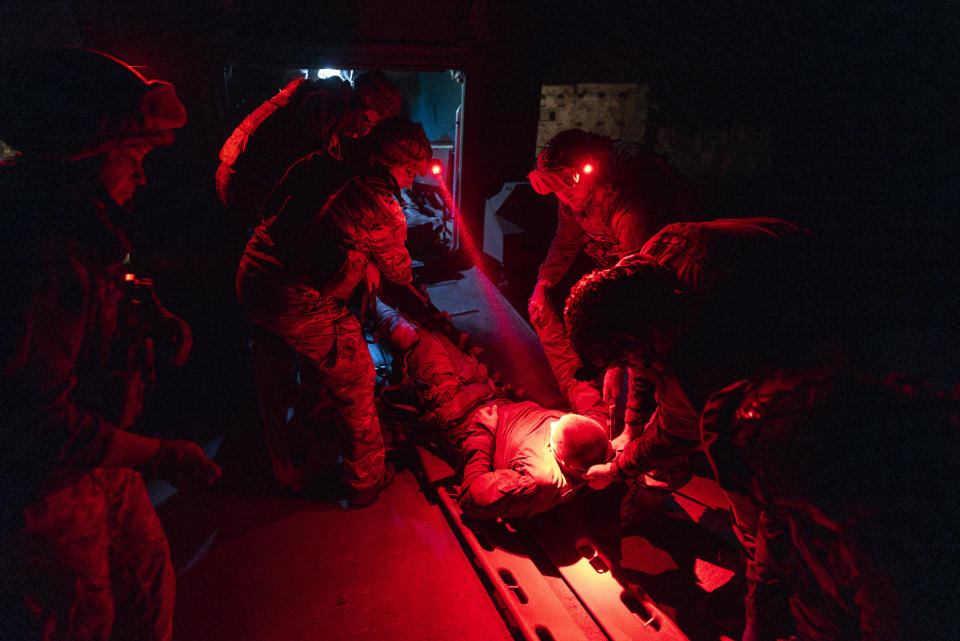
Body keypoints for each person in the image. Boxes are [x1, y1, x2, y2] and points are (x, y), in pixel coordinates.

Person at [0, 48, 221, 641]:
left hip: (98, 459)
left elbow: (98, 292)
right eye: (134, 156)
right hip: (44, 492)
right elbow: (37, 424)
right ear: (81, 156)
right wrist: (165, 455)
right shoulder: (39, 254)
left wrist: (140, 312)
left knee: (145, 583)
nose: (141, 176)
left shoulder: (79, 225)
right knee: (78, 617)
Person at [235, 116, 431, 507]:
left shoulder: (324, 162)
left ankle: (315, 411)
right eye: (409, 171)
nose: (411, 181)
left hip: (252, 273)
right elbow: (399, 271)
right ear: (392, 163)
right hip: (294, 298)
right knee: (358, 376)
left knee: (320, 349)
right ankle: (365, 481)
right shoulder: (381, 204)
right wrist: (385, 261)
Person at [563, 217, 830, 495]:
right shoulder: (655, 258)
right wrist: (632, 424)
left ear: (633, 339)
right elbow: (642, 358)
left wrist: (616, 470)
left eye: (620, 361)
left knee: (757, 468)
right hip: (805, 247)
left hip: (825, 325)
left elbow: (673, 432)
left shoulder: (703, 347)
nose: (623, 368)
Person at [701, 369, 960, 641]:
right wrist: (757, 625)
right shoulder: (797, 500)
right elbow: (774, 544)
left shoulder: (889, 553)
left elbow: (886, 623)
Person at [526, 129, 697, 439]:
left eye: (568, 188)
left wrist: (616, 362)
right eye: (558, 191)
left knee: (652, 349)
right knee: (542, 304)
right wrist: (543, 282)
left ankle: (653, 432)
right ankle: (586, 394)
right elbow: (565, 241)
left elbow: (636, 294)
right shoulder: (571, 191)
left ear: (592, 167)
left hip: (665, 277)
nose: (565, 198)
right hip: (619, 269)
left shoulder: (633, 198)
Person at [375, 298, 613, 519]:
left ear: (563, 461)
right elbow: (576, 383)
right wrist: (547, 322)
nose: (551, 422)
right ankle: (379, 299)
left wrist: (483, 432)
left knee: (414, 338)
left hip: (458, 415)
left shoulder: (536, 479)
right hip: (483, 391)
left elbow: (473, 498)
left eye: (552, 434)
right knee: (435, 335)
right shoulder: (596, 432)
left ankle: (363, 298)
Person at [216, 70, 402, 225]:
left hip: (234, 176)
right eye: (375, 118)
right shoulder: (326, 107)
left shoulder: (320, 96)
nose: (368, 126)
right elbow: (319, 168)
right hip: (246, 186)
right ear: (368, 104)